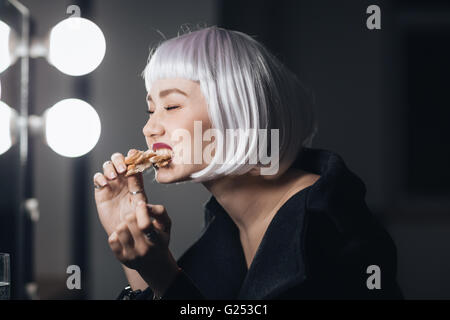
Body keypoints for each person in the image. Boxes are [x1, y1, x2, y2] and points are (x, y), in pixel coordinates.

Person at [93, 26, 402, 300]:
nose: (150, 129)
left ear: (235, 112)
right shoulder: (224, 224)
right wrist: (133, 243)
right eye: (151, 110)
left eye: (171, 106)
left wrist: (163, 274)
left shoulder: (327, 224)